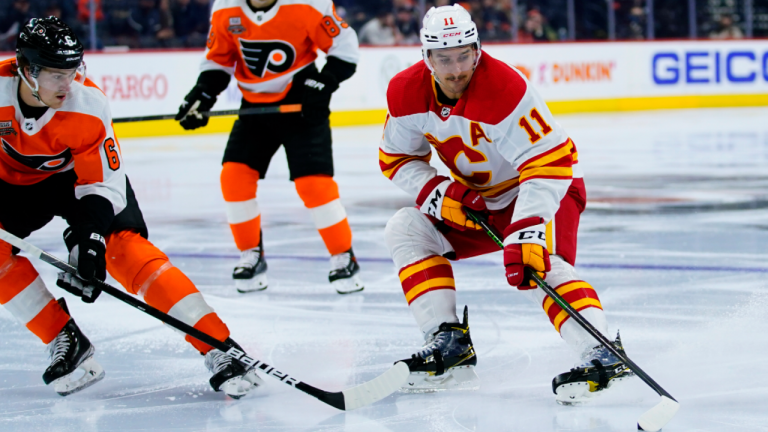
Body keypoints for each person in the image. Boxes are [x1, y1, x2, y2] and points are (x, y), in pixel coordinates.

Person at [380, 5, 635, 403]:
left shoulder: (503, 88)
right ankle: (449, 344)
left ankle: (601, 349)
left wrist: (527, 228)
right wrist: (438, 192)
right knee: (405, 227)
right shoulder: (404, 92)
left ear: (478, 49)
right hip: (481, 199)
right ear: (426, 57)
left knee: (534, 262)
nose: (456, 68)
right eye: (444, 59)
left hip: (545, 186)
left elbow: (549, 162)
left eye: (464, 55)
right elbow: (396, 158)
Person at [0, 17, 262, 398]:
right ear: (27, 70)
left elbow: (101, 185)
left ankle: (220, 347)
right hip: (12, 186)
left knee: (125, 248)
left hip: (77, 183)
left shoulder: (88, 104)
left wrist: (89, 240)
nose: (67, 84)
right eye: (57, 74)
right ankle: (66, 341)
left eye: (73, 71)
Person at [176, 0, 364, 294]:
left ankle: (344, 256)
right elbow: (219, 60)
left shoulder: (308, 4)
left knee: (314, 185)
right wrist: (202, 94)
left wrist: (323, 82)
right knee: (234, 178)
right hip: (254, 109)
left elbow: (346, 47)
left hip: (302, 106)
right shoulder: (225, 8)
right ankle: (251, 255)